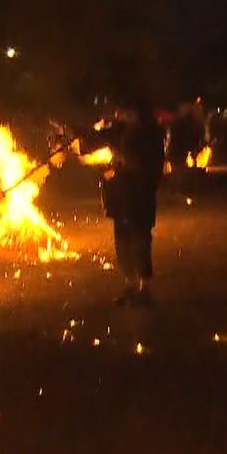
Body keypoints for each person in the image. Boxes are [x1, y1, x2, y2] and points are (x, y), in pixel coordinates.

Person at [99, 98, 165, 306]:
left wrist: (123, 168)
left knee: (140, 240)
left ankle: (144, 287)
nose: (122, 115)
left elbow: (150, 165)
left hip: (139, 194)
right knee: (123, 240)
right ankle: (130, 283)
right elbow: (104, 140)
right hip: (122, 195)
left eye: (127, 111)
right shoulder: (122, 130)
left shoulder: (150, 134)